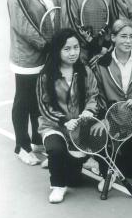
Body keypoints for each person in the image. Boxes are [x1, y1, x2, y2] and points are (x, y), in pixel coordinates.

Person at [7, 0, 57, 166]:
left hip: (44, 54)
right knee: (24, 99)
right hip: (26, 57)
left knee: (39, 99)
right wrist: (47, 45)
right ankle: (22, 146)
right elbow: (23, 26)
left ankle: (37, 140)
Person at [36, 29, 99, 203]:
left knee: (75, 181)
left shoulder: (85, 71)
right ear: (57, 50)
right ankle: (57, 186)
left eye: (76, 47)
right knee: (55, 150)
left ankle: (69, 162)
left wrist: (89, 111)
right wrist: (64, 121)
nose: (73, 53)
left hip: (78, 129)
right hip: (54, 126)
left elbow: (93, 95)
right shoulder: (46, 75)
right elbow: (44, 106)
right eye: (67, 49)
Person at [89, 19, 132, 184]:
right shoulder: (100, 63)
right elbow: (97, 95)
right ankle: (96, 158)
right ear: (113, 38)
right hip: (110, 119)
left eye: (131, 37)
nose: (128, 41)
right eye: (123, 36)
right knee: (108, 171)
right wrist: (104, 119)